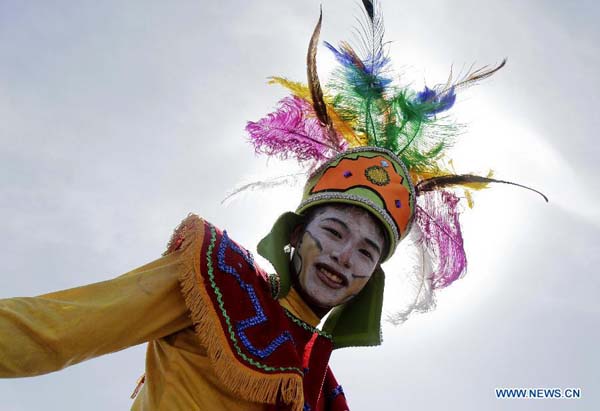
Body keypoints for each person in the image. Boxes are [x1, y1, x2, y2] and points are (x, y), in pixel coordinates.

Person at [0, 1, 546, 410]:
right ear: (294, 234)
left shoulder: (326, 395)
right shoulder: (214, 280)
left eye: (366, 251)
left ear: (371, 279)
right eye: (333, 231)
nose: (343, 257)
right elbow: (52, 331)